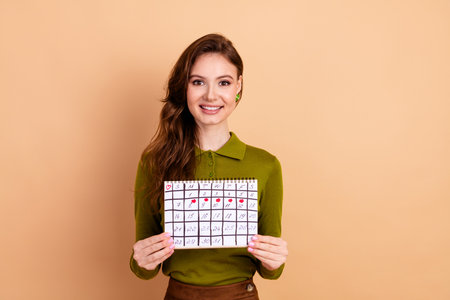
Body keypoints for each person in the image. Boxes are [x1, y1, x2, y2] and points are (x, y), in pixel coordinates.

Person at [130, 33, 288, 300]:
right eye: (198, 82)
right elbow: (144, 269)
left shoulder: (266, 166)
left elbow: (271, 270)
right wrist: (141, 260)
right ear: (185, 87)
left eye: (223, 82)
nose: (211, 95)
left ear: (238, 86)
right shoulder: (154, 162)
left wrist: (274, 261)